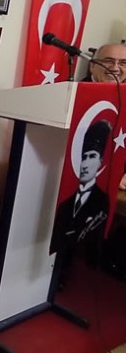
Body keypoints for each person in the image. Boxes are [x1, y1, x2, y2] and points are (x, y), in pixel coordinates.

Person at [50, 119, 111, 287]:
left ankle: (64, 268)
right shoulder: (66, 203)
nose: (85, 164)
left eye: (92, 156)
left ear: (100, 161)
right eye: (84, 157)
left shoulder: (101, 199)